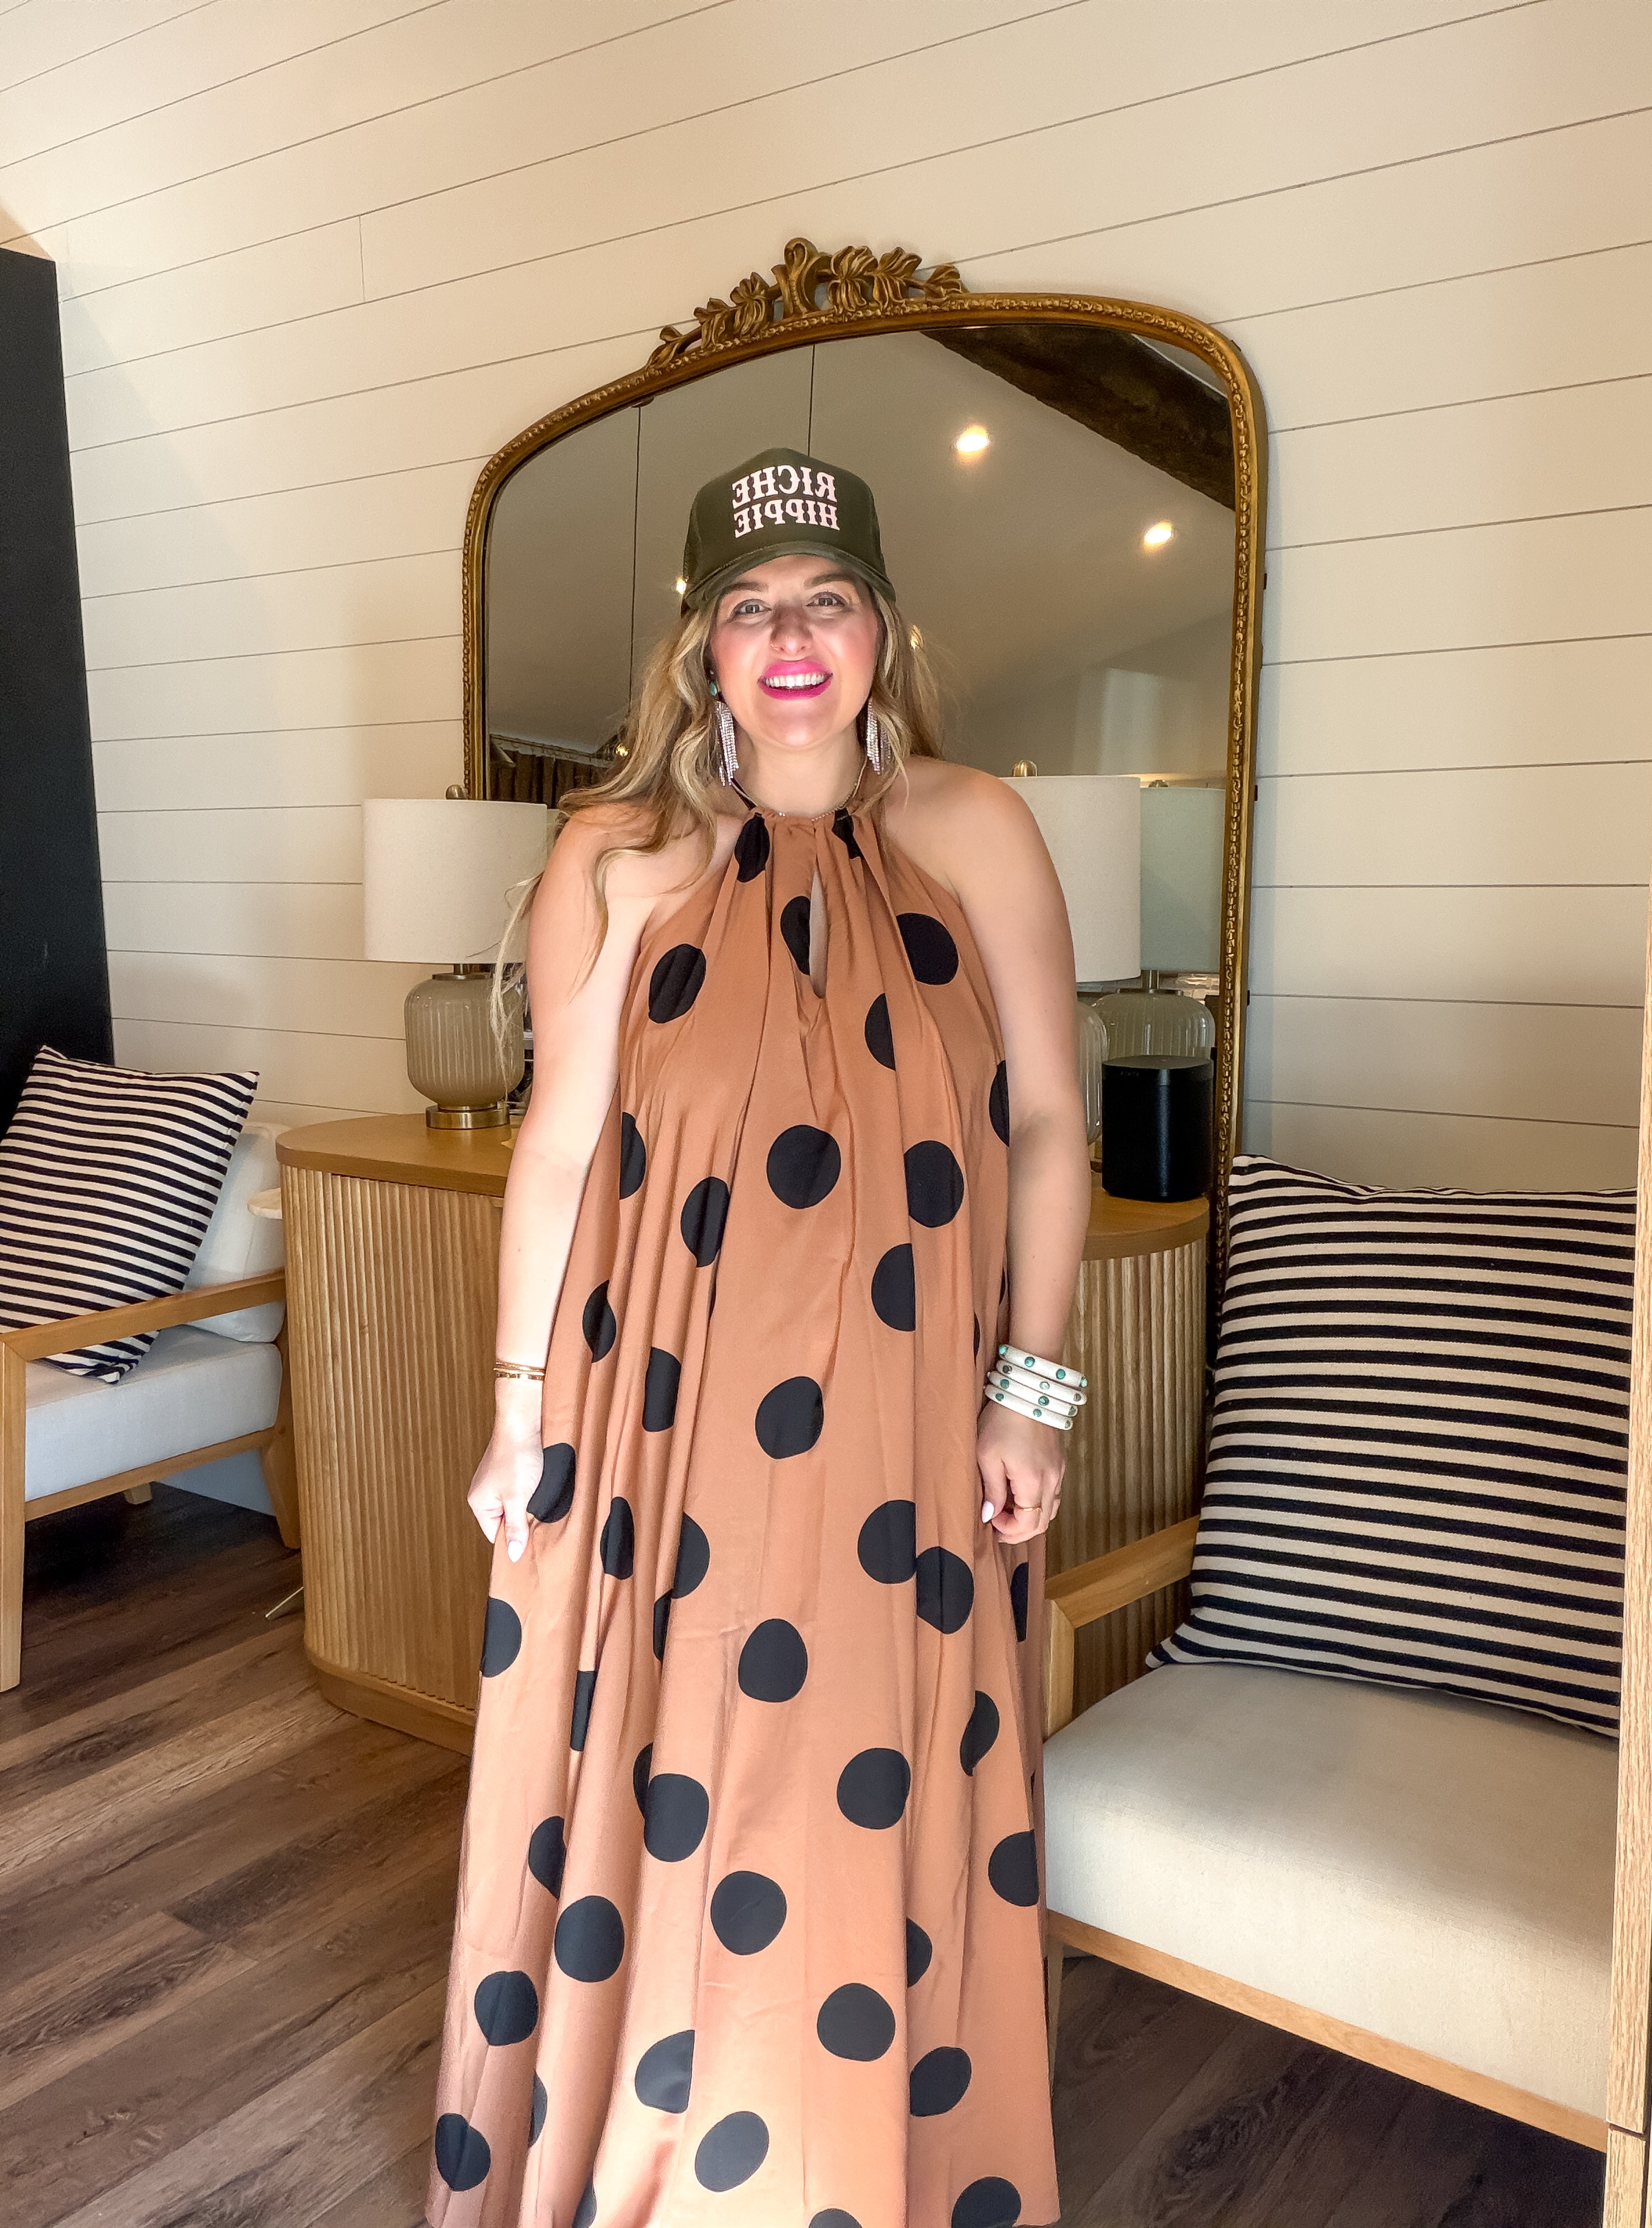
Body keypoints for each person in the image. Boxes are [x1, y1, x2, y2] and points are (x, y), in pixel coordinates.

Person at [428, 446, 1090, 2228]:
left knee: (867, 1788)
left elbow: (1050, 1124)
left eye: (827, 599)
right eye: (750, 607)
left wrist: (1031, 1395)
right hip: (665, 1417)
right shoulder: (616, 856)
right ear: (702, 649)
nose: (791, 637)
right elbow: (560, 1147)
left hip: (912, 1429)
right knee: (676, 1768)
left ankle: (866, 2169)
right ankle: (667, 2165)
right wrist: (518, 1410)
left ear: (883, 629)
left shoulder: (976, 830)